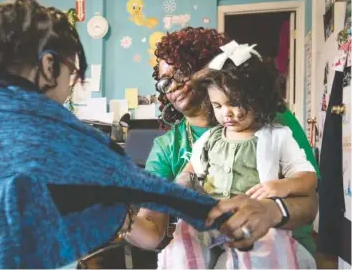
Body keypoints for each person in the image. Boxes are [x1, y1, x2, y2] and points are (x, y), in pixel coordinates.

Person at [0, 0, 233, 269]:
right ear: (49, 66)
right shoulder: (69, 137)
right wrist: (216, 214)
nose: (70, 85)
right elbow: (147, 190)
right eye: (72, 71)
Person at [125, 27, 319, 259]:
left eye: (182, 71)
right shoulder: (168, 146)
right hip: (211, 242)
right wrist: (120, 220)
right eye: (165, 83)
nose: (174, 86)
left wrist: (271, 210)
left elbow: (310, 201)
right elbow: (154, 228)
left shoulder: (270, 120)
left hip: (278, 245)